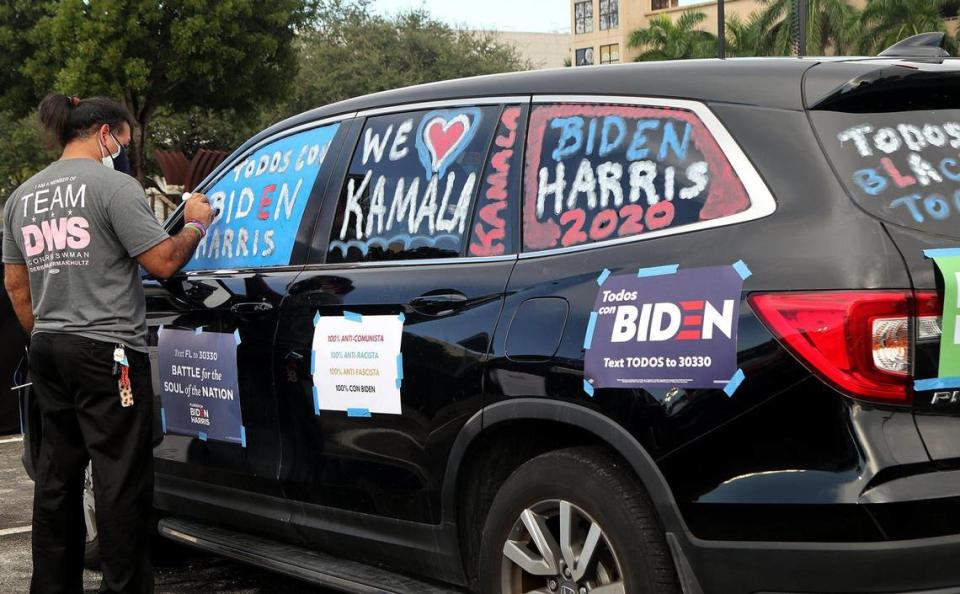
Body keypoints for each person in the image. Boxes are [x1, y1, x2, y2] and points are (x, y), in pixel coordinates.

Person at [2, 94, 214, 594]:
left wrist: (50, 333)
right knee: (120, 481)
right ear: (104, 133)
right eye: (123, 138)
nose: (123, 146)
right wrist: (196, 223)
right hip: (109, 352)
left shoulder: (22, 196)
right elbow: (162, 261)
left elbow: (15, 285)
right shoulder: (115, 187)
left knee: (56, 480)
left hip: (49, 348)